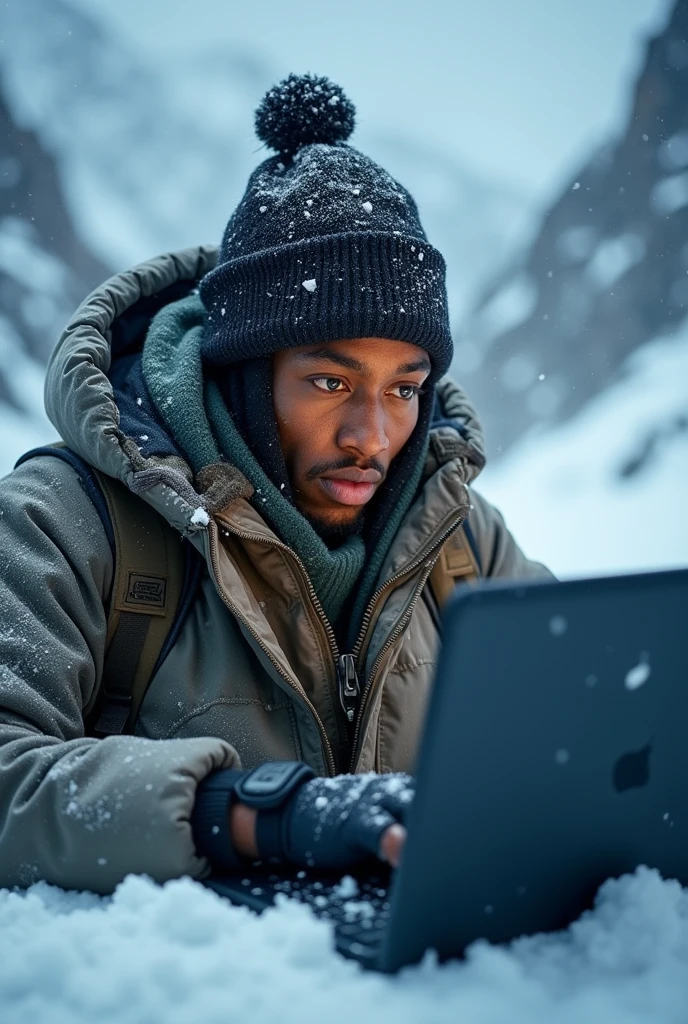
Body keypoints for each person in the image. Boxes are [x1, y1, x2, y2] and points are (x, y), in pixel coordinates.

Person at [0, 74, 551, 894]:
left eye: (405, 388)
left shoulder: (466, 543)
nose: (373, 436)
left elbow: (582, 747)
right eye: (331, 383)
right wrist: (257, 817)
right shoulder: (65, 522)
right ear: (245, 374)